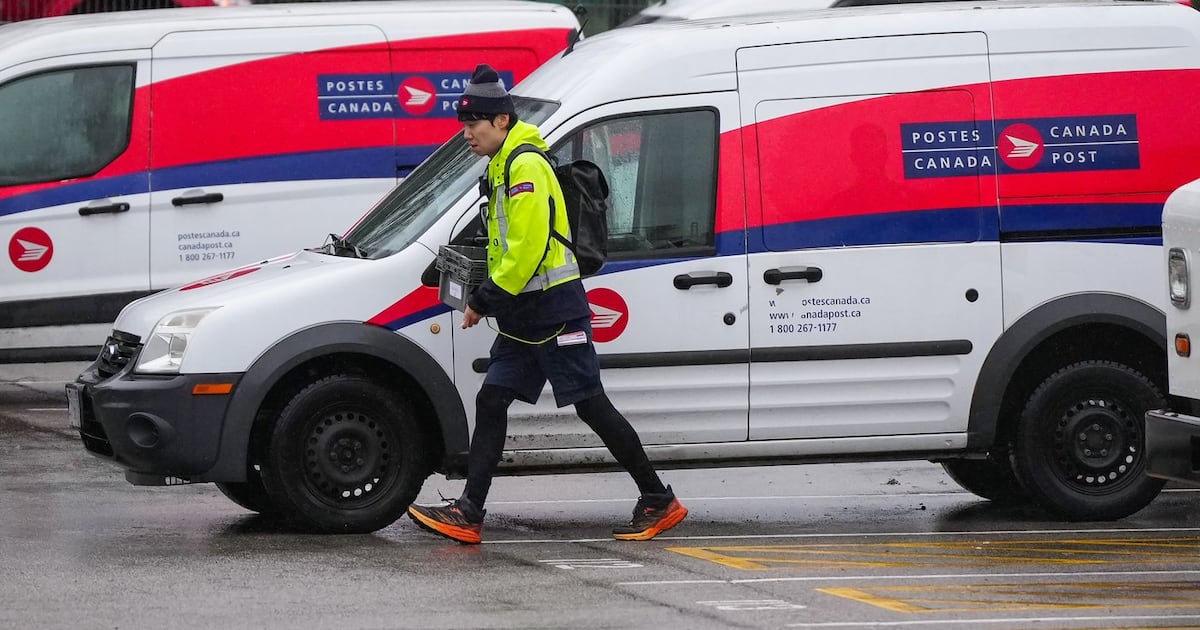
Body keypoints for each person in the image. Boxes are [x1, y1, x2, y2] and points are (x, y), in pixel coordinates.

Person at [407, 64, 686, 545]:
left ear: (501, 122)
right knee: (492, 398)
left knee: (591, 405)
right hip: (523, 318)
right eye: (463, 123)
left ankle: (658, 499)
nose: (467, 132)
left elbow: (528, 248)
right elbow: (501, 240)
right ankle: (469, 512)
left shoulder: (526, 165)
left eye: (474, 123)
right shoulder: (500, 166)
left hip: (555, 313)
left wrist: (483, 298)